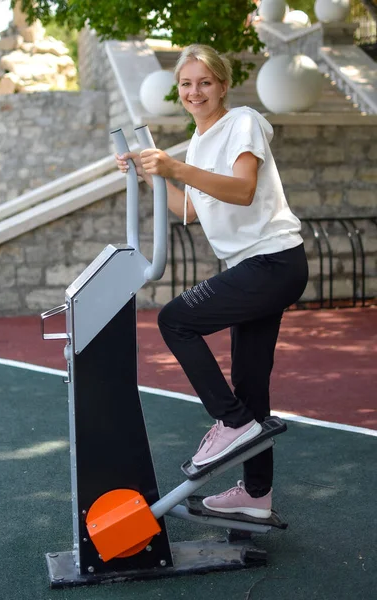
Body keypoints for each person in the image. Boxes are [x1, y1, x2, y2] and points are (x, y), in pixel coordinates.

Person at [116, 44, 308, 519]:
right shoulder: (200, 144)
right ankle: (256, 495)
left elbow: (242, 190)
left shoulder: (242, 121)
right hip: (255, 265)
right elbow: (191, 209)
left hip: (272, 261)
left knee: (176, 319)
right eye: (186, 83)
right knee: (250, 383)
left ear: (222, 85)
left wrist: (174, 167)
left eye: (204, 82)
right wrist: (149, 177)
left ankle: (232, 422)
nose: (194, 91)